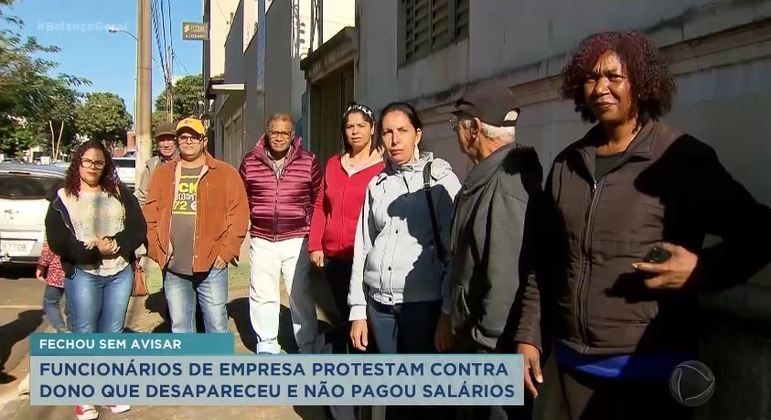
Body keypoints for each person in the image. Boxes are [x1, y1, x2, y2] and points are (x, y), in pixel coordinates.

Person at [514, 31, 771, 420]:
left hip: (651, 371)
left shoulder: (681, 159)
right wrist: (529, 335)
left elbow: (760, 234)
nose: (600, 88)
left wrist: (702, 270)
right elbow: (546, 260)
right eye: (591, 78)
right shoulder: (567, 165)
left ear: (642, 82)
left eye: (614, 77)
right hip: (573, 368)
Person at [448, 81, 542, 420]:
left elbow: (505, 280)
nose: (455, 131)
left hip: (492, 351)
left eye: (457, 123)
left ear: (474, 129)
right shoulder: (488, 176)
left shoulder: (506, 186)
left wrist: (486, 353)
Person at [45, 140, 146, 420]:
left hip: (119, 272)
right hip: (83, 273)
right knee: (85, 332)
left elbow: (138, 227)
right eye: (87, 161)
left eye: (99, 162)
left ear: (106, 165)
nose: (92, 167)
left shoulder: (119, 192)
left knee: (112, 333)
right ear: (78, 163)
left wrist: (116, 243)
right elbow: (57, 240)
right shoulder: (64, 196)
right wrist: (91, 252)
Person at [308, 103, 384, 420]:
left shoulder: (382, 168)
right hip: (334, 260)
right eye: (349, 126)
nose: (354, 131)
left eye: (361, 125)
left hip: (365, 263)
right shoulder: (333, 164)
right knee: (343, 321)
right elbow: (320, 207)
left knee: (363, 325)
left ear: (372, 129)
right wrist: (315, 244)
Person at [143, 117, 249, 333]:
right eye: (183, 137)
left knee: (216, 324)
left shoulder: (226, 173)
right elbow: (150, 213)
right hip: (173, 266)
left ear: (204, 141)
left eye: (194, 137)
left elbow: (239, 215)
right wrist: (156, 248)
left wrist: (226, 252)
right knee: (180, 326)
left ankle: (217, 357)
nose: (188, 141)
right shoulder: (163, 174)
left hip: (212, 266)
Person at [240, 113, 325, 354]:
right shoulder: (250, 161)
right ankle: (267, 344)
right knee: (262, 293)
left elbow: (318, 198)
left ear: (292, 136)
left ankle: (307, 344)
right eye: (274, 132)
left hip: (297, 238)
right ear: (267, 133)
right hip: (262, 237)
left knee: (300, 294)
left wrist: (311, 230)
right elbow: (242, 196)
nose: (279, 137)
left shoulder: (308, 161)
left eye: (284, 133)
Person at [134, 121, 178, 205]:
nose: (166, 145)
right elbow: (142, 196)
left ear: (176, 142)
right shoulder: (152, 165)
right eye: (162, 140)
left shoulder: (185, 162)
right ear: (157, 143)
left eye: (169, 140)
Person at [36, 241, 69, 332]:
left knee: (50, 302)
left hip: (57, 272)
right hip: (78, 272)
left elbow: (49, 248)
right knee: (73, 304)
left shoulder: (57, 231)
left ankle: (61, 327)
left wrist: (41, 265)